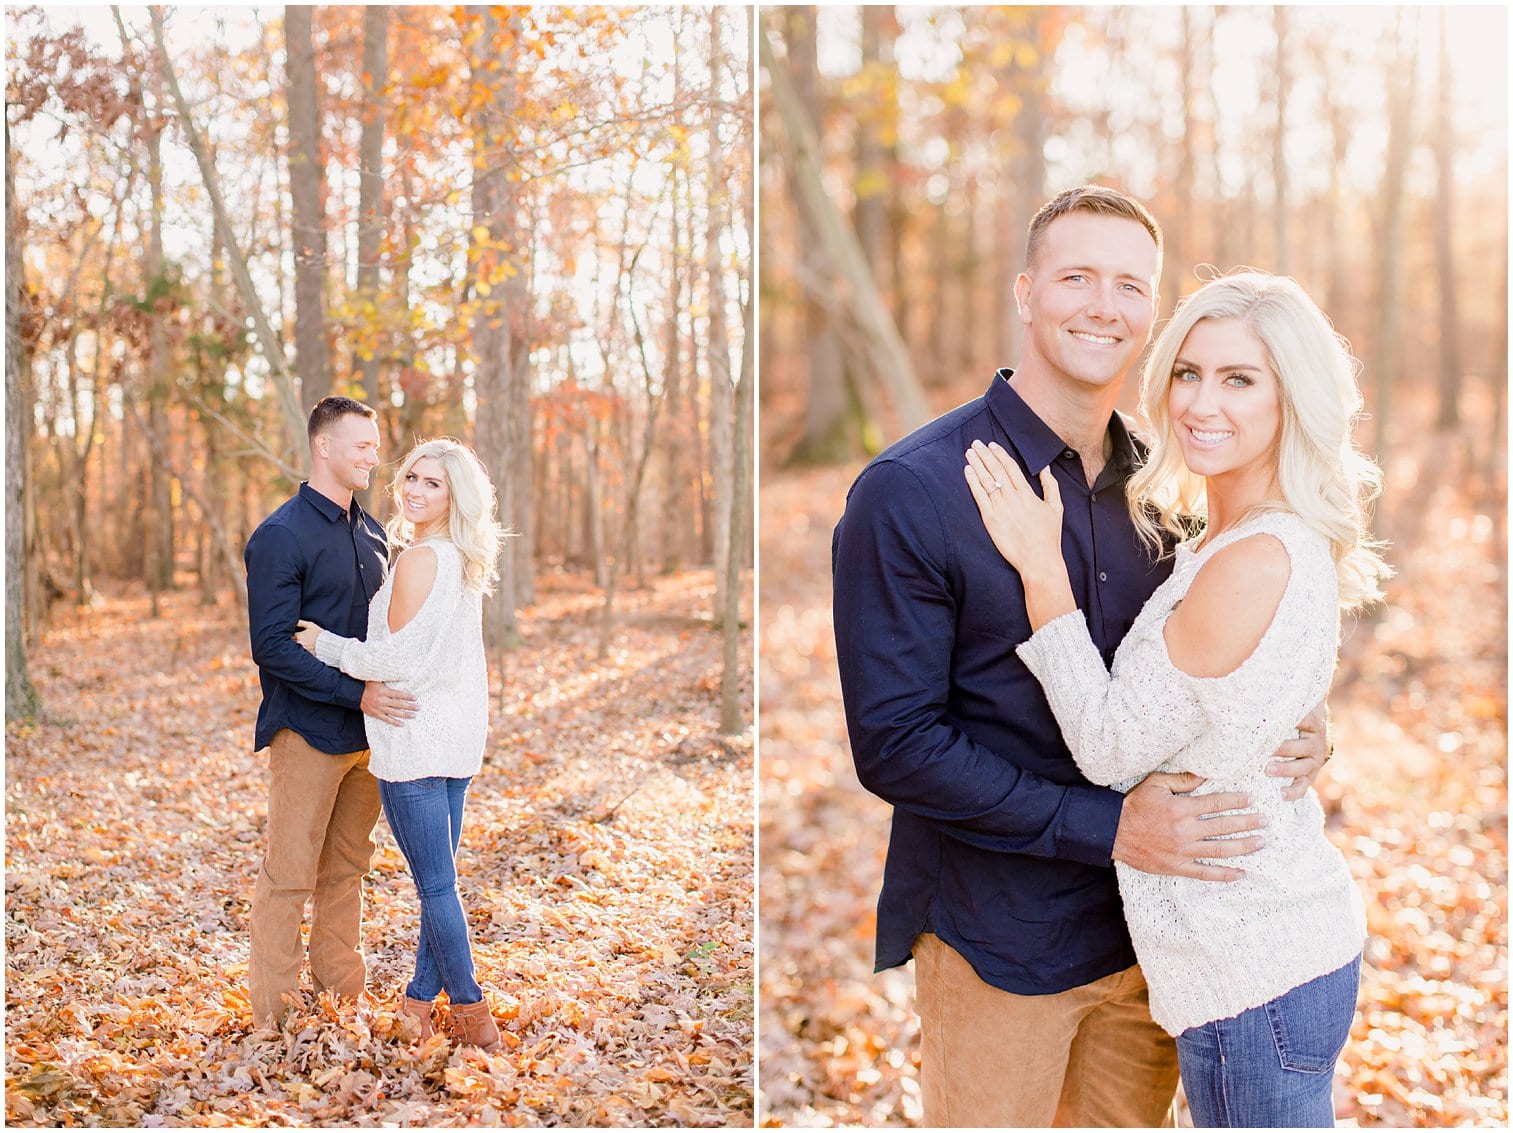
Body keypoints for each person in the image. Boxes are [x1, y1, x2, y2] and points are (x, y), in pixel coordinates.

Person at [830, 186, 1331, 1127]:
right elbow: (894, 743)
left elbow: (1219, 657)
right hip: (999, 940)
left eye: (1129, 285)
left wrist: (1303, 723)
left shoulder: (1170, 486)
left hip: (1156, 943)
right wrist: (1110, 829)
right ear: (1025, 292)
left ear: (1151, 313)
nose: (1103, 304)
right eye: (1076, 277)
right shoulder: (911, 491)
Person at [964, 270, 1385, 1126]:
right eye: (1189, 372)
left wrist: (1042, 573)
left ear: (1290, 398)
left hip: (1250, 969)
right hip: (1285, 945)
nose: (1201, 401)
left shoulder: (1247, 559)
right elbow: (1253, 696)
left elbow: (1110, 748)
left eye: (1239, 379)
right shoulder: (1246, 535)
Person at [293, 437, 505, 1052]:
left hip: (415, 737)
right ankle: (418, 1003)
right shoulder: (462, 558)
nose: (414, 490)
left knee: (437, 887)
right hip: (457, 736)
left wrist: (323, 644)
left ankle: (470, 1013)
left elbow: (396, 661)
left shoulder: (420, 560)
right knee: (439, 884)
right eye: (411, 477)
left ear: (454, 496)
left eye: (432, 483)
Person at [245, 395, 419, 1028]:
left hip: (369, 737)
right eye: (363, 446)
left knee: (347, 872)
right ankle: (277, 1017)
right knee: (289, 875)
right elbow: (271, 648)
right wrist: (356, 693)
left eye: (376, 446)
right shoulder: (280, 535)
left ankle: (342, 999)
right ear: (324, 447)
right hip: (308, 733)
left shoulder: (374, 535)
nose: (375, 457)